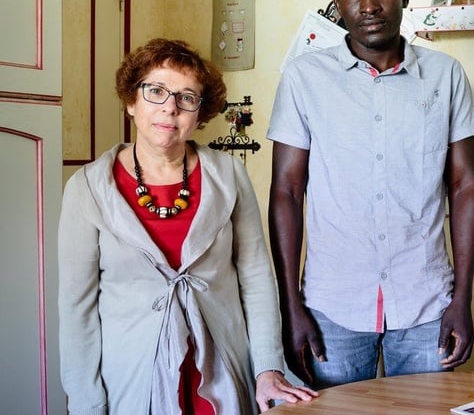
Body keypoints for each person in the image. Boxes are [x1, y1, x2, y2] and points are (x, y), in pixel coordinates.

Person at [267, 0, 474, 389]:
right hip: (332, 307)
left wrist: (462, 298)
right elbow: (287, 192)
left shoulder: (444, 75)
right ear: (337, 1)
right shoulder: (304, 78)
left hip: (427, 303)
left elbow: (465, 186)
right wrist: (292, 307)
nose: (369, 5)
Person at [58, 38, 318, 414]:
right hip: (130, 379)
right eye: (156, 91)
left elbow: (257, 276)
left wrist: (267, 368)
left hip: (222, 371)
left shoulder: (228, 174)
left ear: (199, 114)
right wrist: (85, 402)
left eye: (186, 97)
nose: (170, 108)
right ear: (131, 102)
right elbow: (76, 307)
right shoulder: (88, 188)